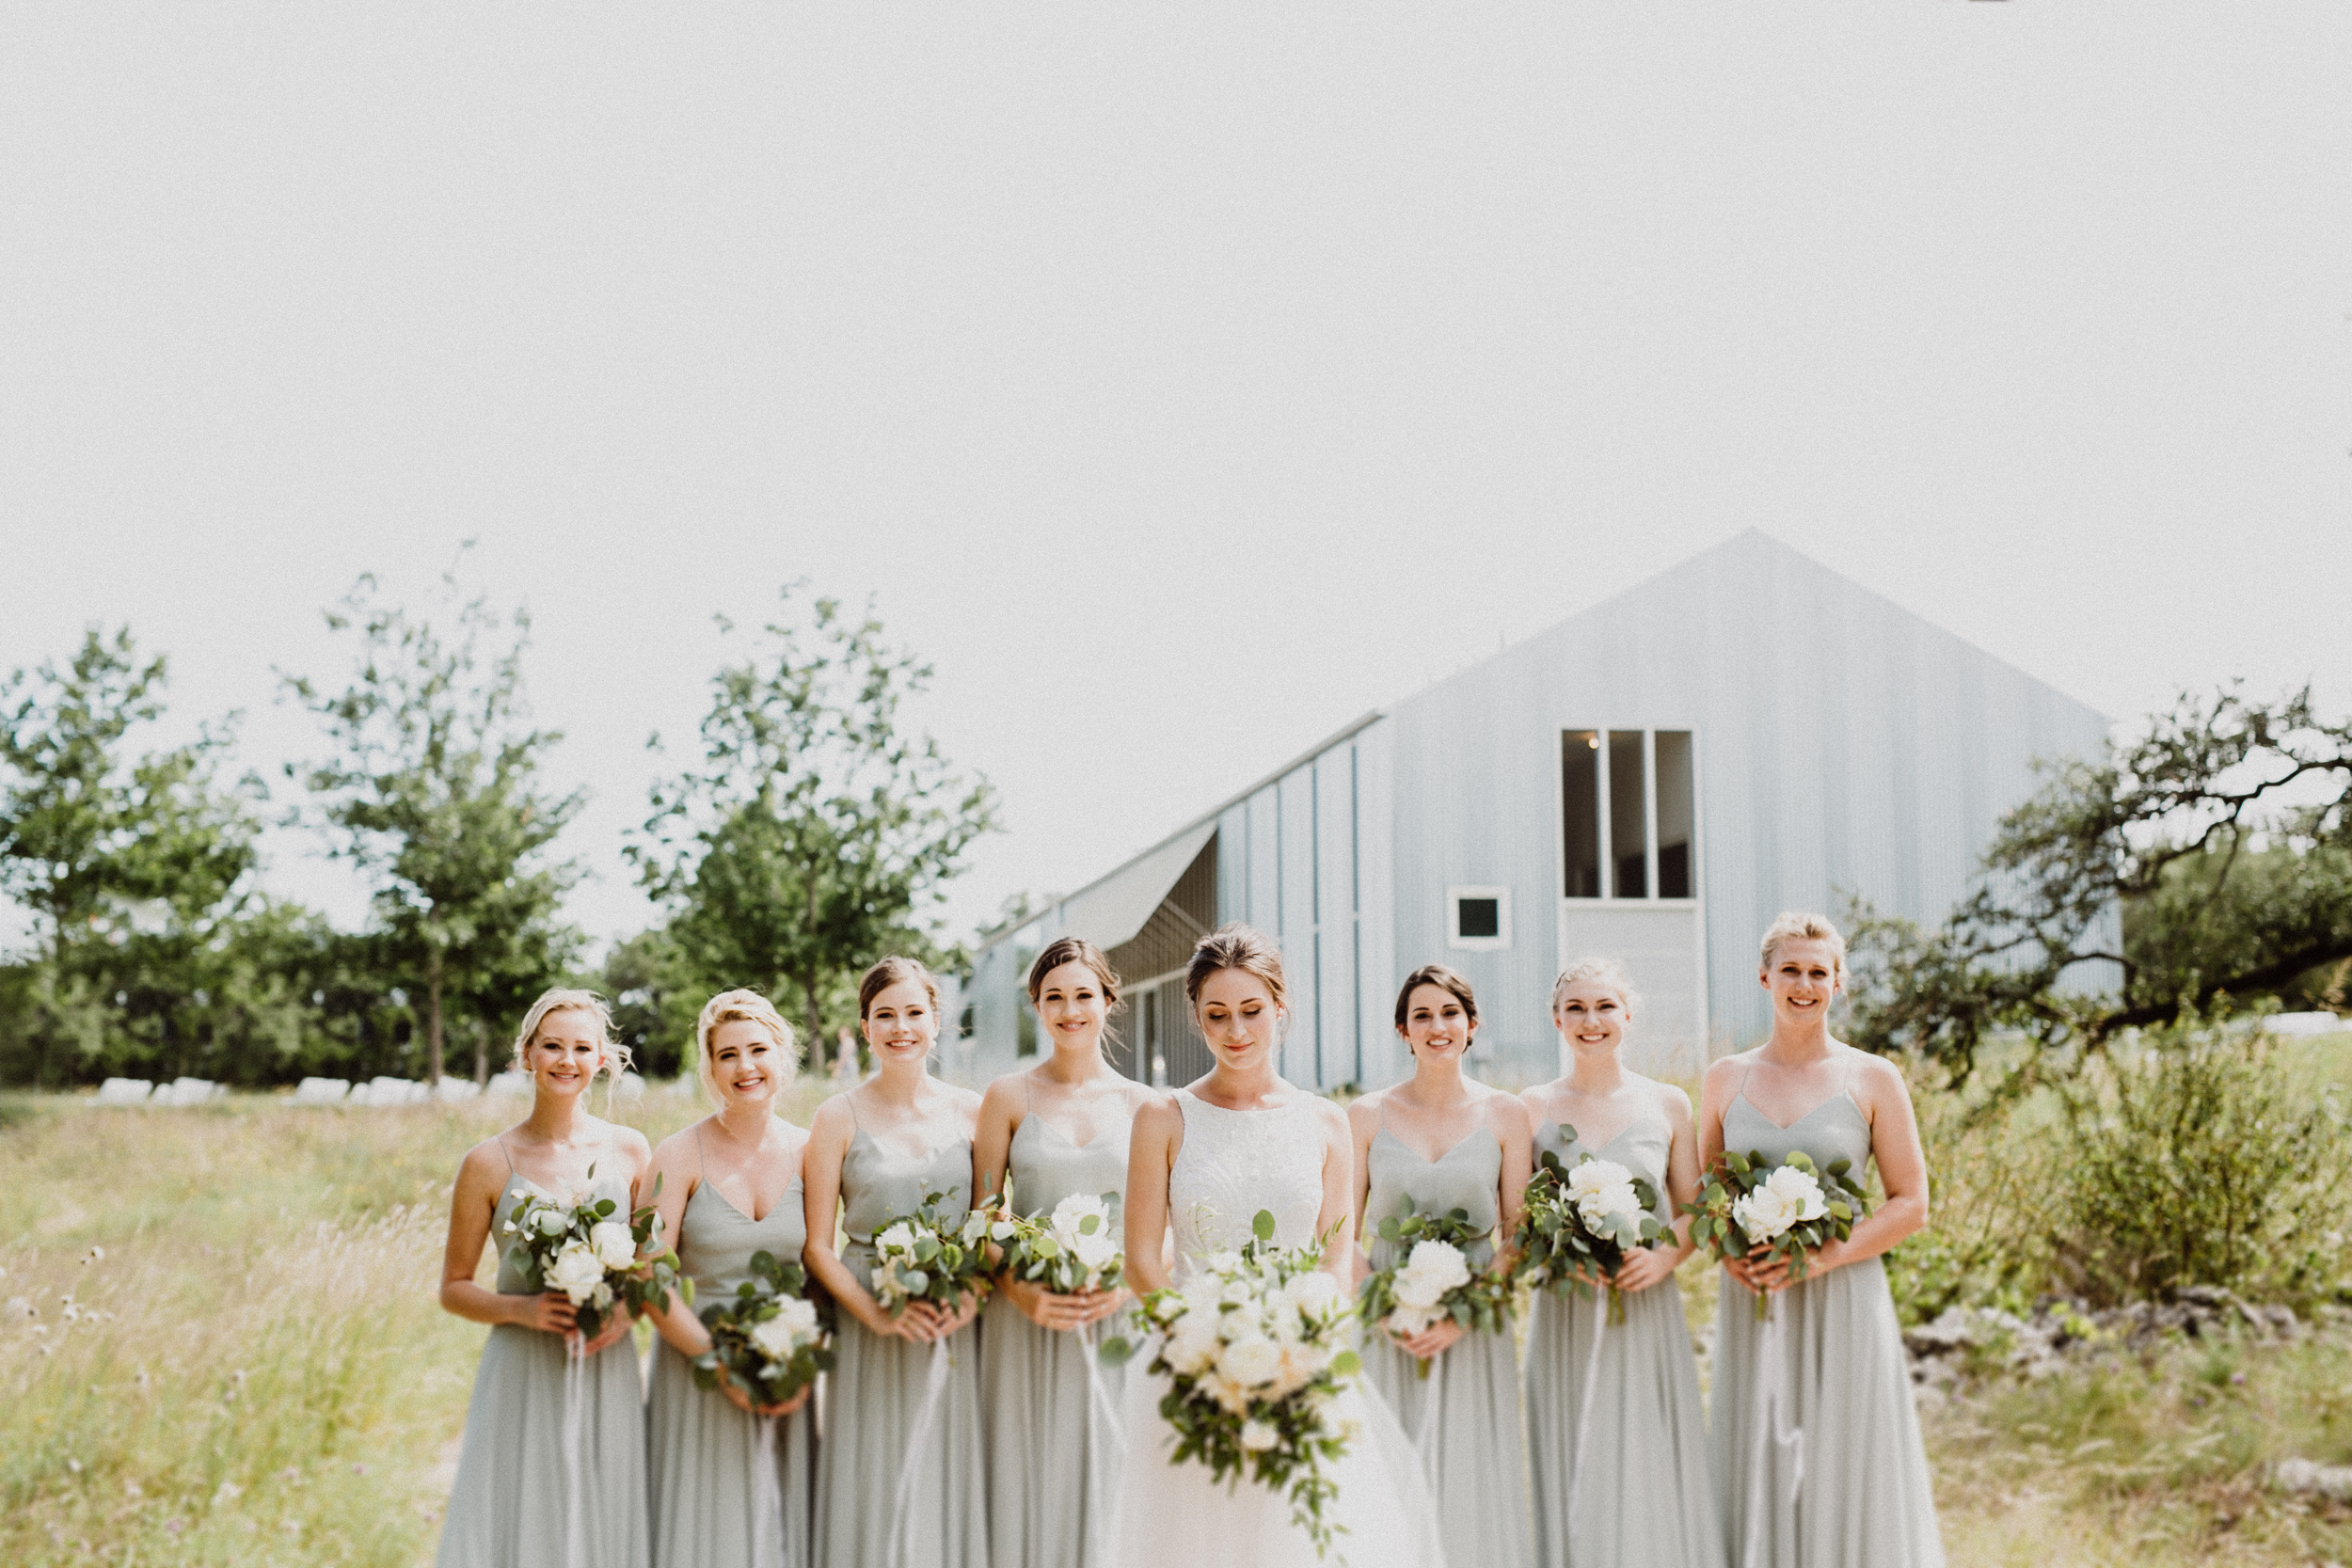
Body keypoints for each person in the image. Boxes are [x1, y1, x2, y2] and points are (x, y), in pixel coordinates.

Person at [1115, 924, 1451, 1568]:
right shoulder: (1162, 1116)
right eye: (1217, 1015)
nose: (1236, 1030)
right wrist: (1206, 1355)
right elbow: (1141, 1261)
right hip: (1190, 1371)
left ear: (1280, 1007)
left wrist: (1292, 1353)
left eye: (1251, 1010)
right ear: (1197, 1018)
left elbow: (1334, 1258)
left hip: (1302, 1367)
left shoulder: (1325, 1120)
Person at [1701, 913, 1941, 1567]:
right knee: (1759, 1450)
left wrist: (1825, 1255)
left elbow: (1912, 1201)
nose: (1803, 984)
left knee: (1845, 1448)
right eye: (1790, 970)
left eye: (1817, 971)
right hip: (1754, 1294)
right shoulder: (1725, 1077)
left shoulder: (1873, 1078)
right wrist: (1734, 1252)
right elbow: (1709, 1196)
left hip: (1843, 1290)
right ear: (1764, 977)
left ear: (1839, 982)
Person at [435, 990, 652, 1568]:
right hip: (522, 1362)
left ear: (602, 1059)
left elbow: (651, 1266)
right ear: (525, 1055)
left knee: (604, 1504)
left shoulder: (631, 1150)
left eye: (582, 1047)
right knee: (520, 1508)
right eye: (551, 1046)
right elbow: (453, 1286)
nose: (566, 1059)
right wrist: (521, 1311)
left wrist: (623, 1313)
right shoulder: (487, 1161)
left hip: (605, 1356)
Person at [1519, 959, 1722, 1568]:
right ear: (1557, 1019)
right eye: (1576, 1008)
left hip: (1645, 1306)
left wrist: (1664, 1258)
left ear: (1628, 1015)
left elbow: (1695, 1212)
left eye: (1605, 1006)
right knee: (1572, 1450)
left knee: (1645, 1450)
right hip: (1566, 1307)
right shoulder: (1531, 1107)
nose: (1591, 1020)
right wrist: (1555, 1253)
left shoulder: (1669, 1103)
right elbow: (1516, 1215)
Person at [974, 936, 1156, 1568]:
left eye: (1084, 994)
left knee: (1112, 1469)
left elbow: (1160, 1221)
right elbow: (985, 1213)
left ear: (1109, 1000)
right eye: (1055, 997)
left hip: (1115, 1311)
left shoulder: (1146, 1105)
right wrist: (1020, 1288)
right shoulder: (1007, 1095)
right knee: (1029, 1470)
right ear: (1036, 1005)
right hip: (1024, 1314)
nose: (1070, 1009)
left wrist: (1129, 1284)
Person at [1347, 964, 1535, 1568]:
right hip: (1383, 1319)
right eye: (1421, 1015)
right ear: (1402, 1030)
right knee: (1385, 1467)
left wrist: (1463, 1313)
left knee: (1470, 1469)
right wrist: (1389, 1309)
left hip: (1474, 1322)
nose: (1436, 1026)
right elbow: (1340, 1236)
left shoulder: (1507, 1115)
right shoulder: (1365, 1115)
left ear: (1471, 1025)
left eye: (1449, 1013)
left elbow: (1518, 1235)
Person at [803, 957, 989, 1568]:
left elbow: (993, 1223)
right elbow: (817, 1245)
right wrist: (874, 1315)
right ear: (864, 1027)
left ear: (937, 1022)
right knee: (872, 1470)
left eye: (914, 1012)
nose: (901, 1026)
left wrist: (969, 1295)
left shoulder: (974, 1112)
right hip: (869, 1319)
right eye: (885, 1014)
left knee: (947, 1467)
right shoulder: (837, 1116)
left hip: (953, 1320)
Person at [644, 990, 816, 1568]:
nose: (745, 1068)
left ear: (782, 1055)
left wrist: (797, 1362)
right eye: (727, 1055)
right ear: (710, 1066)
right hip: (697, 1367)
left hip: (786, 1371)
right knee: (703, 1538)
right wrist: (720, 1366)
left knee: (785, 1530)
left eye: (758, 1050)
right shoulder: (677, 1154)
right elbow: (649, 1277)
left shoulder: (812, 1152)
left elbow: (819, 1264)